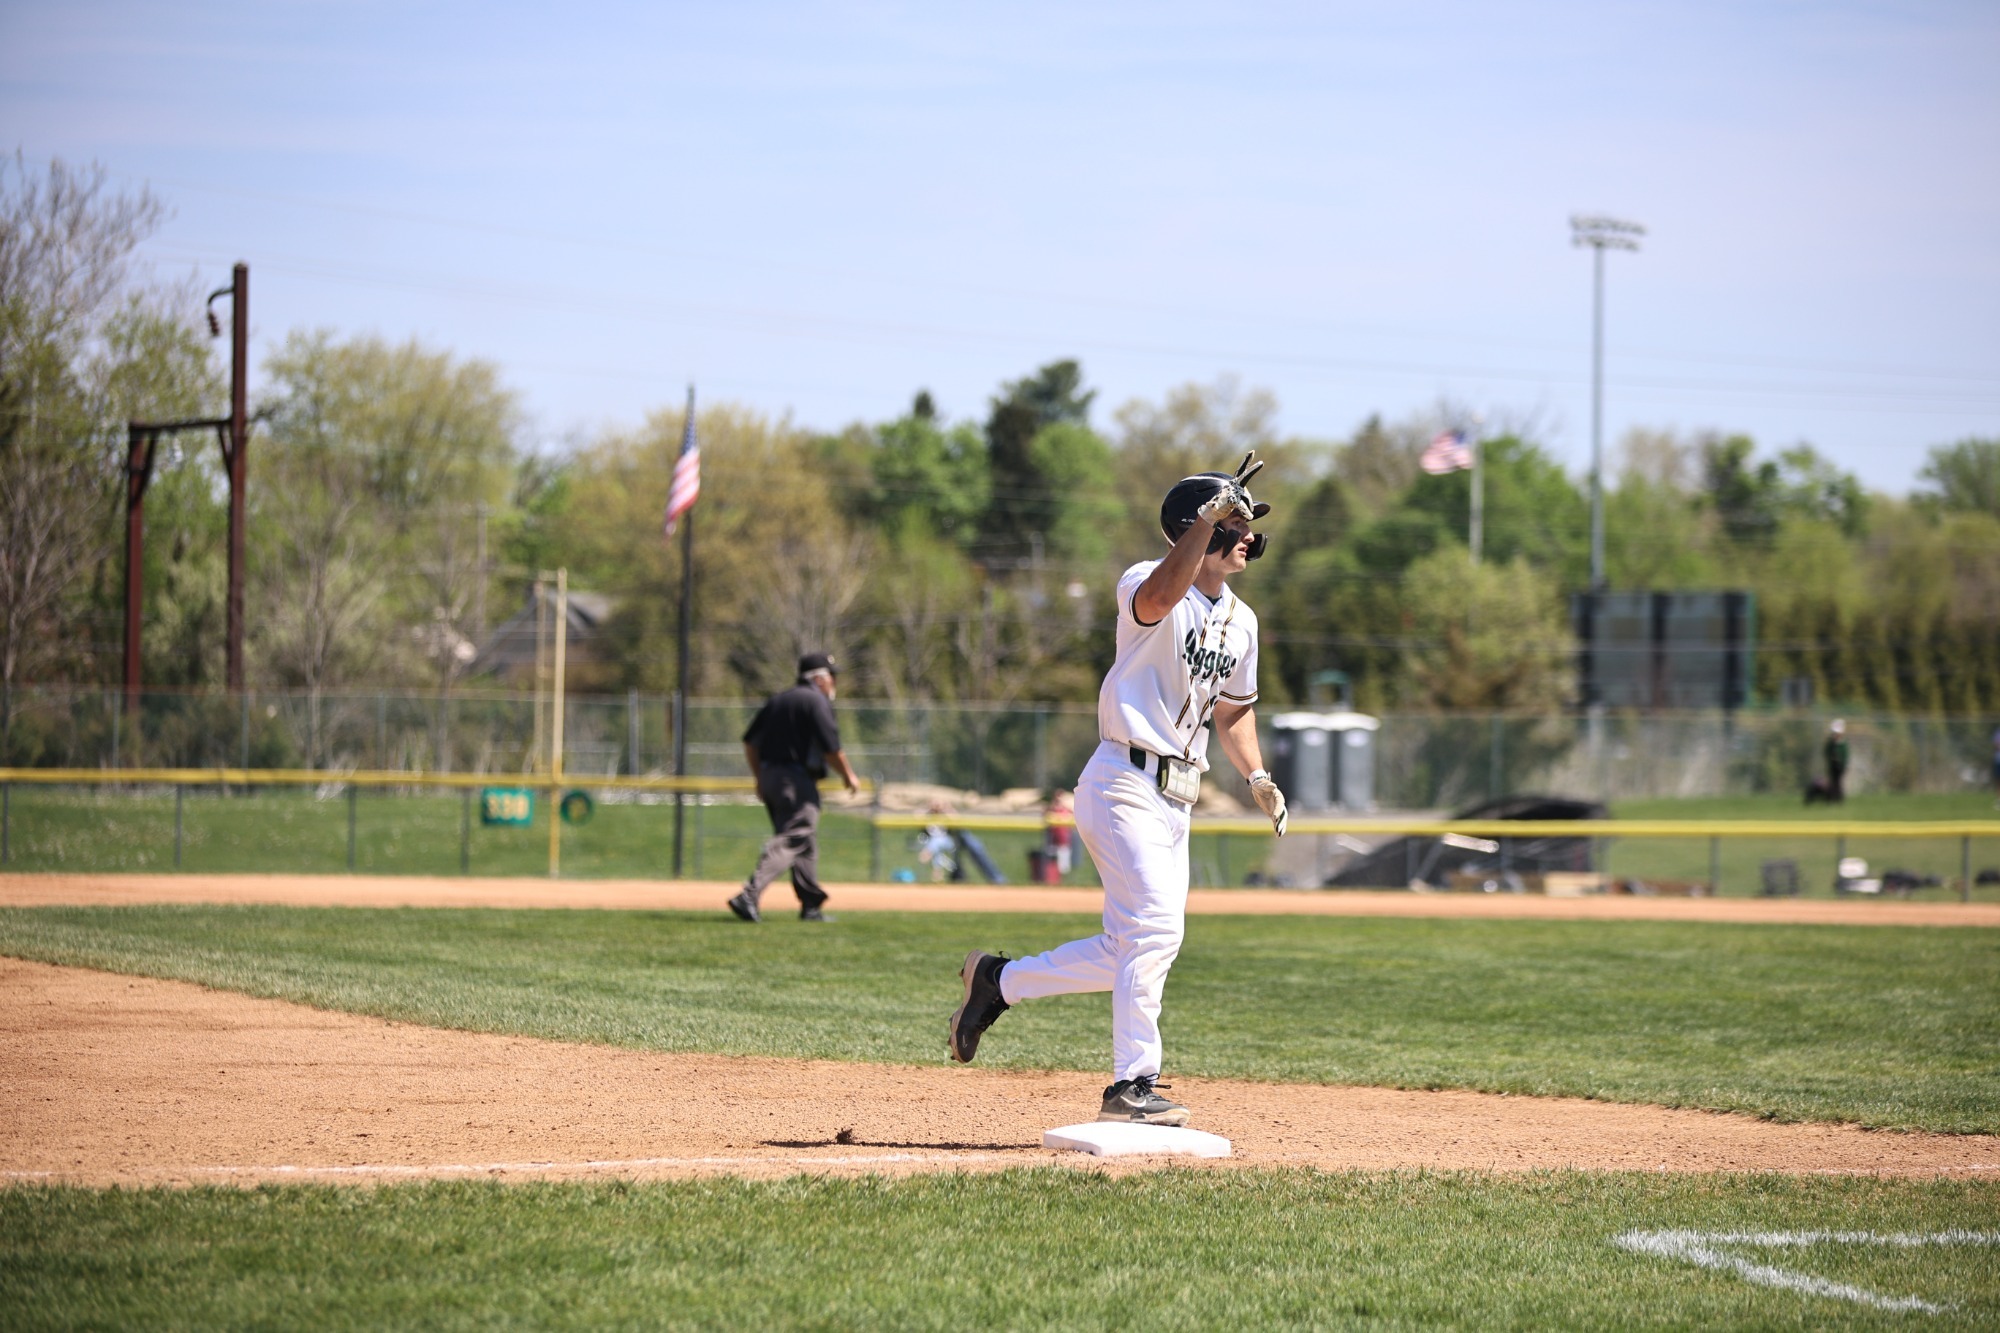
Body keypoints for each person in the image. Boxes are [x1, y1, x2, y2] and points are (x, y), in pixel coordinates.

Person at [947, 454, 1288, 1127]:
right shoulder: (1148, 580)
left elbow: (1235, 710)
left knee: (1131, 945)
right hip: (1123, 779)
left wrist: (1257, 775)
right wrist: (1206, 519)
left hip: (1177, 800)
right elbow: (1160, 597)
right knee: (1154, 931)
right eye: (1237, 522)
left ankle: (999, 981)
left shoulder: (1242, 622)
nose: (1248, 534)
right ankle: (1132, 1084)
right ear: (1200, 527)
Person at [726, 651, 861, 923]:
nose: (834, 682)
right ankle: (748, 896)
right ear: (819, 679)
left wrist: (759, 778)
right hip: (796, 780)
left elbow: (750, 742)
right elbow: (831, 748)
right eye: (832, 676)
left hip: (772, 776)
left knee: (805, 843)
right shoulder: (815, 701)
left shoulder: (778, 700)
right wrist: (848, 775)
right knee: (794, 837)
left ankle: (811, 906)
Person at [1824, 718, 1849, 802]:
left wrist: (1842, 764)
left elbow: (1845, 756)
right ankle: (1831, 798)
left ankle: (1839, 799)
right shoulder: (1831, 743)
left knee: (1838, 782)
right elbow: (1826, 752)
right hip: (1832, 766)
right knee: (1832, 782)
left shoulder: (1843, 744)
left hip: (1840, 767)